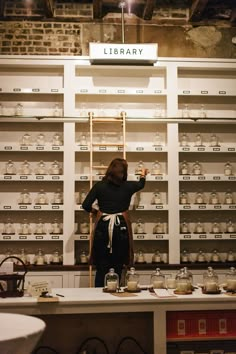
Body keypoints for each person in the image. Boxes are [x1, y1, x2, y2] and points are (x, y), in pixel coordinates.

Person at [82, 158, 148, 287]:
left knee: (101, 265)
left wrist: (96, 212)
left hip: (103, 226)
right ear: (124, 172)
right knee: (118, 263)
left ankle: (99, 295)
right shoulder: (128, 186)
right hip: (121, 227)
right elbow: (141, 184)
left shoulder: (99, 186)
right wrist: (143, 174)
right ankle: (117, 294)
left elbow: (85, 205)